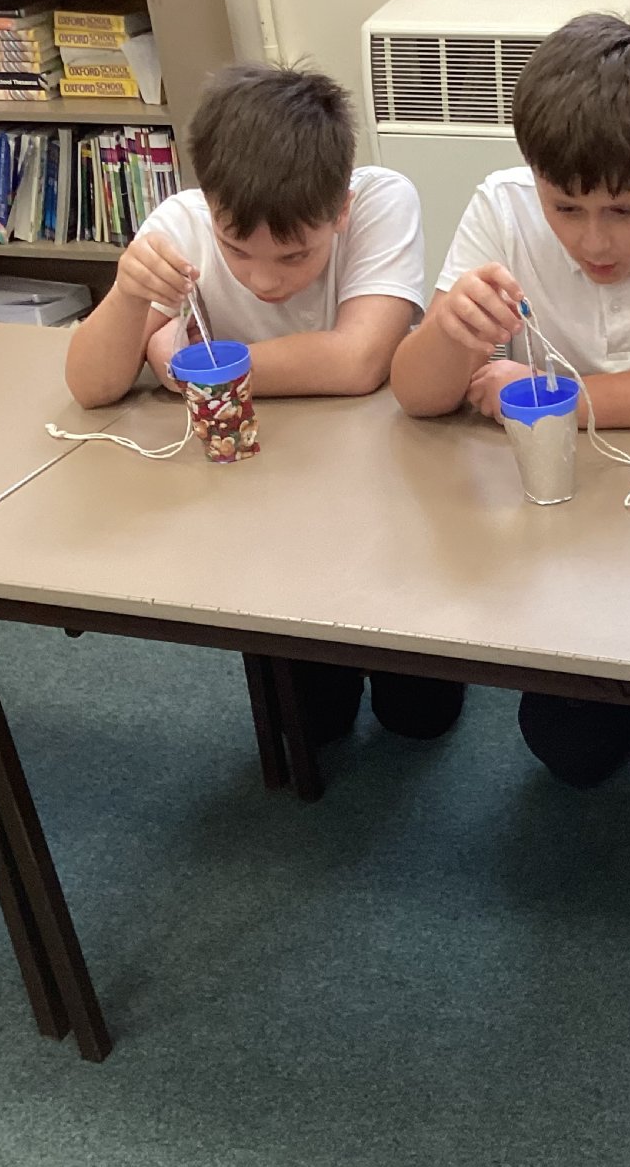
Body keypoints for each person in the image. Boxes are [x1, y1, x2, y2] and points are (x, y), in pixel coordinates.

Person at [390, 12, 630, 793]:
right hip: (555, 525)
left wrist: (564, 400)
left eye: (625, 211)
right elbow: (416, 395)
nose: (594, 242)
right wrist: (450, 332)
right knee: (572, 756)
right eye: (565, 208)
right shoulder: (503, 206)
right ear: (533, 173)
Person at [65, 61, 462, 743]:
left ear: (340, 210)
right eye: (235, 250)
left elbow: (359, 362)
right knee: (309, 727)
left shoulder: (381, 200)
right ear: (210, 205)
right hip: (253, 503)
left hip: (379, 492)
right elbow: (90, 387)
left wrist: (187, 369)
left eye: (295, 256)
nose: (263, 279)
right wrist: (130, 298)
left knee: (420, 719)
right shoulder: (181, 223)